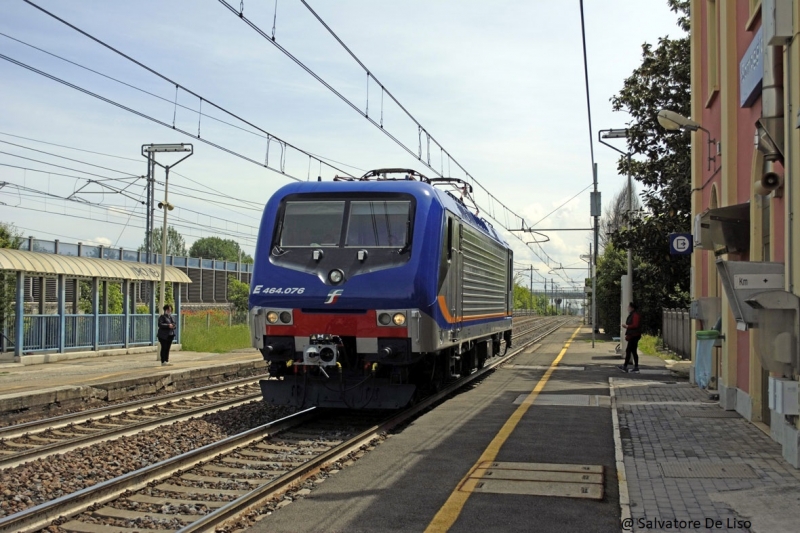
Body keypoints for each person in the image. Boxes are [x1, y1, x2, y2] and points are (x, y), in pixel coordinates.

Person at [618, 302, 642, 373]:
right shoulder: (633, 314)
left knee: (629, 350)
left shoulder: (635, 315)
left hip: (634, 335)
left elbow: (635, 325)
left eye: (629, 306)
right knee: (633, 351)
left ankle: (625, 366)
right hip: (633, 335)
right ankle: (634, 367)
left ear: (632, 307)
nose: (628, 307)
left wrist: (627, 326)